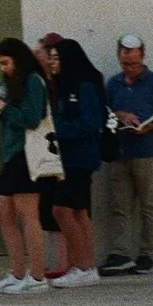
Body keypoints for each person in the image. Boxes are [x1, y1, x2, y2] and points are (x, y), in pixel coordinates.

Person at [100, 33, 153, 276]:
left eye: (133, 63)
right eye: (125, 63)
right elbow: (103, 115)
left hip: (147, 152)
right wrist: (120, 115)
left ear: (142, 57)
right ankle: (120, 253)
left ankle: (146, 254)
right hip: (120, 151)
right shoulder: (113, 84)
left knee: (148, 206)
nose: (129, 68)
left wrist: (150, 127)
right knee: (119, 206)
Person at [0, 38, 52, 294]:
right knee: (3, 214)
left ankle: (37, 276)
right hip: (14, 155)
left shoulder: (33, 80)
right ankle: (19, 271)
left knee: (27, 214)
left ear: (18, 60)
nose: (2, 68)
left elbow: (32, 118)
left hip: (26, 154)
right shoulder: (15, 83)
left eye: (5, 63)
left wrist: (3, 108)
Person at [38, 35, 107, 288]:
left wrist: (59, 131)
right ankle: (86, 268)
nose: (52, 63)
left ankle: (83, 266)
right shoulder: (61, 86)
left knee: (62, 209)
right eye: (51, 58)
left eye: (57, 58)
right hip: (67, 157)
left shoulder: (84, 85)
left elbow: (91, 122)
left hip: (79, 157)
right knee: (78, 212)